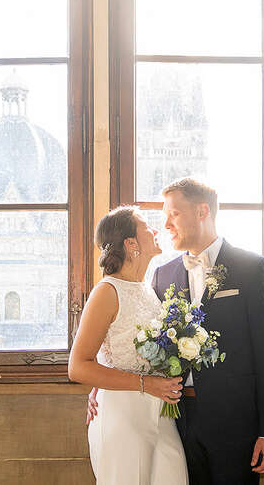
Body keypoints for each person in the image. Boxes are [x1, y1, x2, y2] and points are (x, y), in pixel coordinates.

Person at [88, 178, 264, 484]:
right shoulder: (162, 275)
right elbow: (138, 339)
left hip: (234, 423)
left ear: (202, 211)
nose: (166, 224)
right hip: (173, 419)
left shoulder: (254, 269)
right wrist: (100, 385)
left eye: (174, 214)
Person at [69, 206, 189, 484]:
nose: (156, 231)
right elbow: (77, 367)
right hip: (122, 415)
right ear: (131, 243)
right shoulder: (106, 291)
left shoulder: (149, 289)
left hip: (161, 413)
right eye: (147, 226)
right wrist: (147, 384)